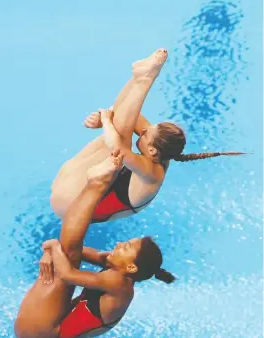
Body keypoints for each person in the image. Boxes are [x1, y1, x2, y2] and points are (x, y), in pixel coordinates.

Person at [50, 48, 244, 223]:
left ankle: (145, 79)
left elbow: (118, 149)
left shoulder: (153, 173)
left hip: (70, 206)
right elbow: (129, 116)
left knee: (117, 138)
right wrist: (103, 119)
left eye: (144, 134)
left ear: (151, 149)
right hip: (73, 192)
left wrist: (107, 121)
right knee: (118, 128)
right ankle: (139, 78)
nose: (142, 131)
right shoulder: (158, 147)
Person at [14, 151, 175, 338]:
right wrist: (52, 249)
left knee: (66, 254)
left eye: (125, 247)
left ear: (131, 267)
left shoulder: (116, 282)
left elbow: (67, 274)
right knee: (68, 252)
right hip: (40, 329)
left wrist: (53, 246)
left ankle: (97, 184)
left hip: (41, 332)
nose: (118, 244)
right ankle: (96, 184)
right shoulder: (121, 270)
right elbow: (79, 251)